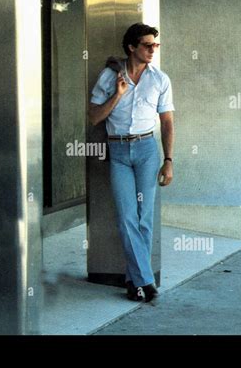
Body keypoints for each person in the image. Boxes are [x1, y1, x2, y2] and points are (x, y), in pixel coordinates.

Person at [88, 23, 174, 303]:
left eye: (155, 45)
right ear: (132, 47)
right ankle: (145, 281)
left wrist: (169, 160)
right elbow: (94, 117)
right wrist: (118, 95)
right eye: (147, 45)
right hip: (119, 151)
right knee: (127, 218)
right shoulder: (109, 76)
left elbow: (167, 123)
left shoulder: (160, 79)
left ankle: (135, 282)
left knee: (144, 218)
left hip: (148, 149)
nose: (152, 50)